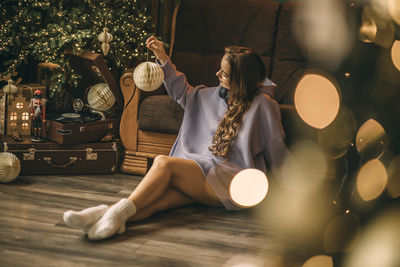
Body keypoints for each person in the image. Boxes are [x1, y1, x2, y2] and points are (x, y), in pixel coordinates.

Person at [63, 36, 290, 240]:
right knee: (160, 201)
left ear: (241, 79)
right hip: (205, 174)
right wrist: (163, 58)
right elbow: (182, 91)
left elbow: (277, 153)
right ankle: (105, 218)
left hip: (232, 181)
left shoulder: (264, 106)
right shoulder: (212, 95)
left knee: (164, 163)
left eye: (225, 73)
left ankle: (109, 212)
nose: (217, 75)